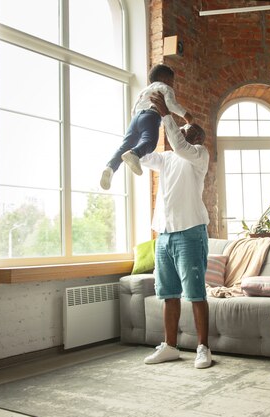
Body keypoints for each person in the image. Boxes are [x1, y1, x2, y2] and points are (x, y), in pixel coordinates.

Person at [139, 91, 212, 369]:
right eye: (181, 129)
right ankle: (170, 346)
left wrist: (168, 115)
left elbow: (180, 146)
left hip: (190, 233)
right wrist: (144, 122)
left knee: (195, 294)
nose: (182, 131)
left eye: (187, 130)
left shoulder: (198, 156)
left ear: (197, 138)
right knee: (168, 293)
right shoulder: (168, 159)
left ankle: (203, 347)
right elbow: (144, 157)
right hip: (164, 235)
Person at [100, 64, 193, 190]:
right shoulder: (165, 87)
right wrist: (187, 116)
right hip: (151, 116)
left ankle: (110, 168)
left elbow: (134, 109)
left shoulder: (143, 91)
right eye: (172, 81)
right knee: (150, 142)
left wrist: (136, 120)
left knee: (125, 145)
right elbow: (171, 104)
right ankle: (135, 154)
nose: (172, 84)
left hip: (135, 119)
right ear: (165, 78)